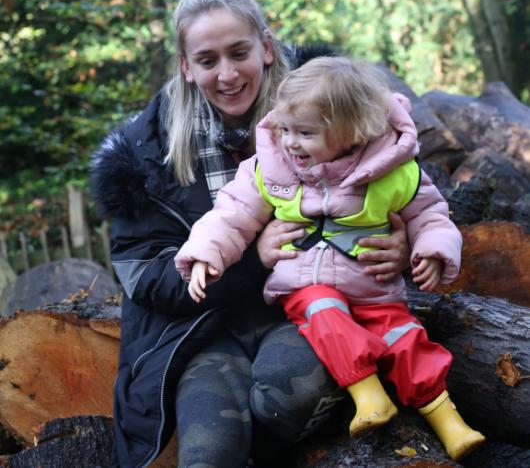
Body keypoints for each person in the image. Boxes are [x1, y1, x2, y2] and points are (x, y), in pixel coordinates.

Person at [91, 0, 411, 468]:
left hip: (312, 308)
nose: (227, 74)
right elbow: (144, 275)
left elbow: (411, 192)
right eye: (207, 59)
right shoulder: (143, 153)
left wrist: (405, 245)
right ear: (185, 66)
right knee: (208, 451)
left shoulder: (335, 104)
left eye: (239, 52)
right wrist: (251, 260)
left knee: (284, 403)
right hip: (204, 330)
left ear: (265, 45)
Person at [174, 56, 486, 461]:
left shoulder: (392, 172)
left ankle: (449, 420)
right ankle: (368, 392)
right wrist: (205, 253)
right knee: (323, 311)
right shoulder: (271, 169)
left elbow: (428, 214)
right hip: (305, 282)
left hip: (374, 287)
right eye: (284, 129)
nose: (289, 142)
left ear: (352, 131)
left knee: (404, 338)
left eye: (304, 133)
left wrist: (430, 248)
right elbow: (232, 213)